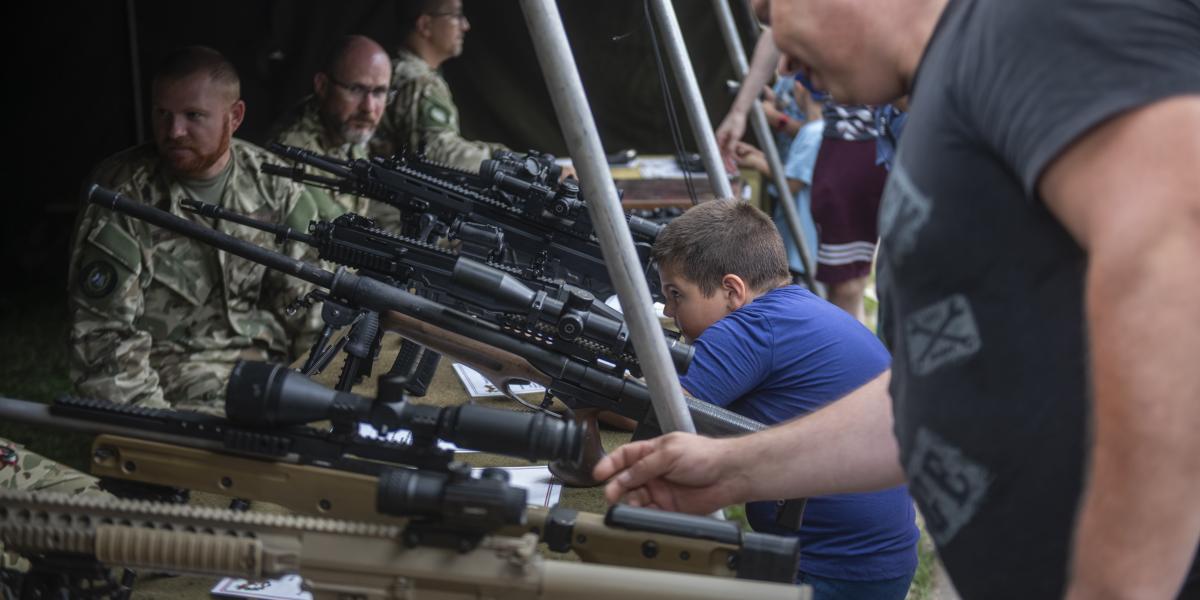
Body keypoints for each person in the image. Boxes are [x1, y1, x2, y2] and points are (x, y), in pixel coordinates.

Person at [596, 0, 1200, 598]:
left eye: (768, 9)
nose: (779, 65)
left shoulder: (1025, 23)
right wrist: (732, 471)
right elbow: (944, 386)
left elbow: (1174, 264)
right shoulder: (946, 90)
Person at [653, 199, 918, 598]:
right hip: (876, 560)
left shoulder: (750, 328)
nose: (670, 311)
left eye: (677, 295)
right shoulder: (795, 308)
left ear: (731, 289)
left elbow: (661, 413)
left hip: (829, 568)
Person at [69, 46, 320, 416]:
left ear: (234, 117)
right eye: (163, 114)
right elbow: (102, 338)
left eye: (193, 116)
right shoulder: (123, 196)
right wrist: (157, 426)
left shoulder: (275, 187)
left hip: (267, 373)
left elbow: (314, 308)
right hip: (169, 378)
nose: (174, 131)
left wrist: (320, 388)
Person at [372, 0, 508, 172]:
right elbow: (439, 154)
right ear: (425, 25)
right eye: (456, 16)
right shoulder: (420, 82)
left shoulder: (394, 69)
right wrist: (506, 166)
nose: (465, 25)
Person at [270, 34, 392, 221]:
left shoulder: (349, 136)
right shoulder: (292, 151)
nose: (368, 107)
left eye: (379, 92)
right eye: (356, 90)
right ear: (322, 86)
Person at [731, 81, 823, 278]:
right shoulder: (818, 130)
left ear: (800, 88)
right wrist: (760, 156)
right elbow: (796, 171)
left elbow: (791, 184)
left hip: (800, 241)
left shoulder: (812, 133)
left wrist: (758, 164)